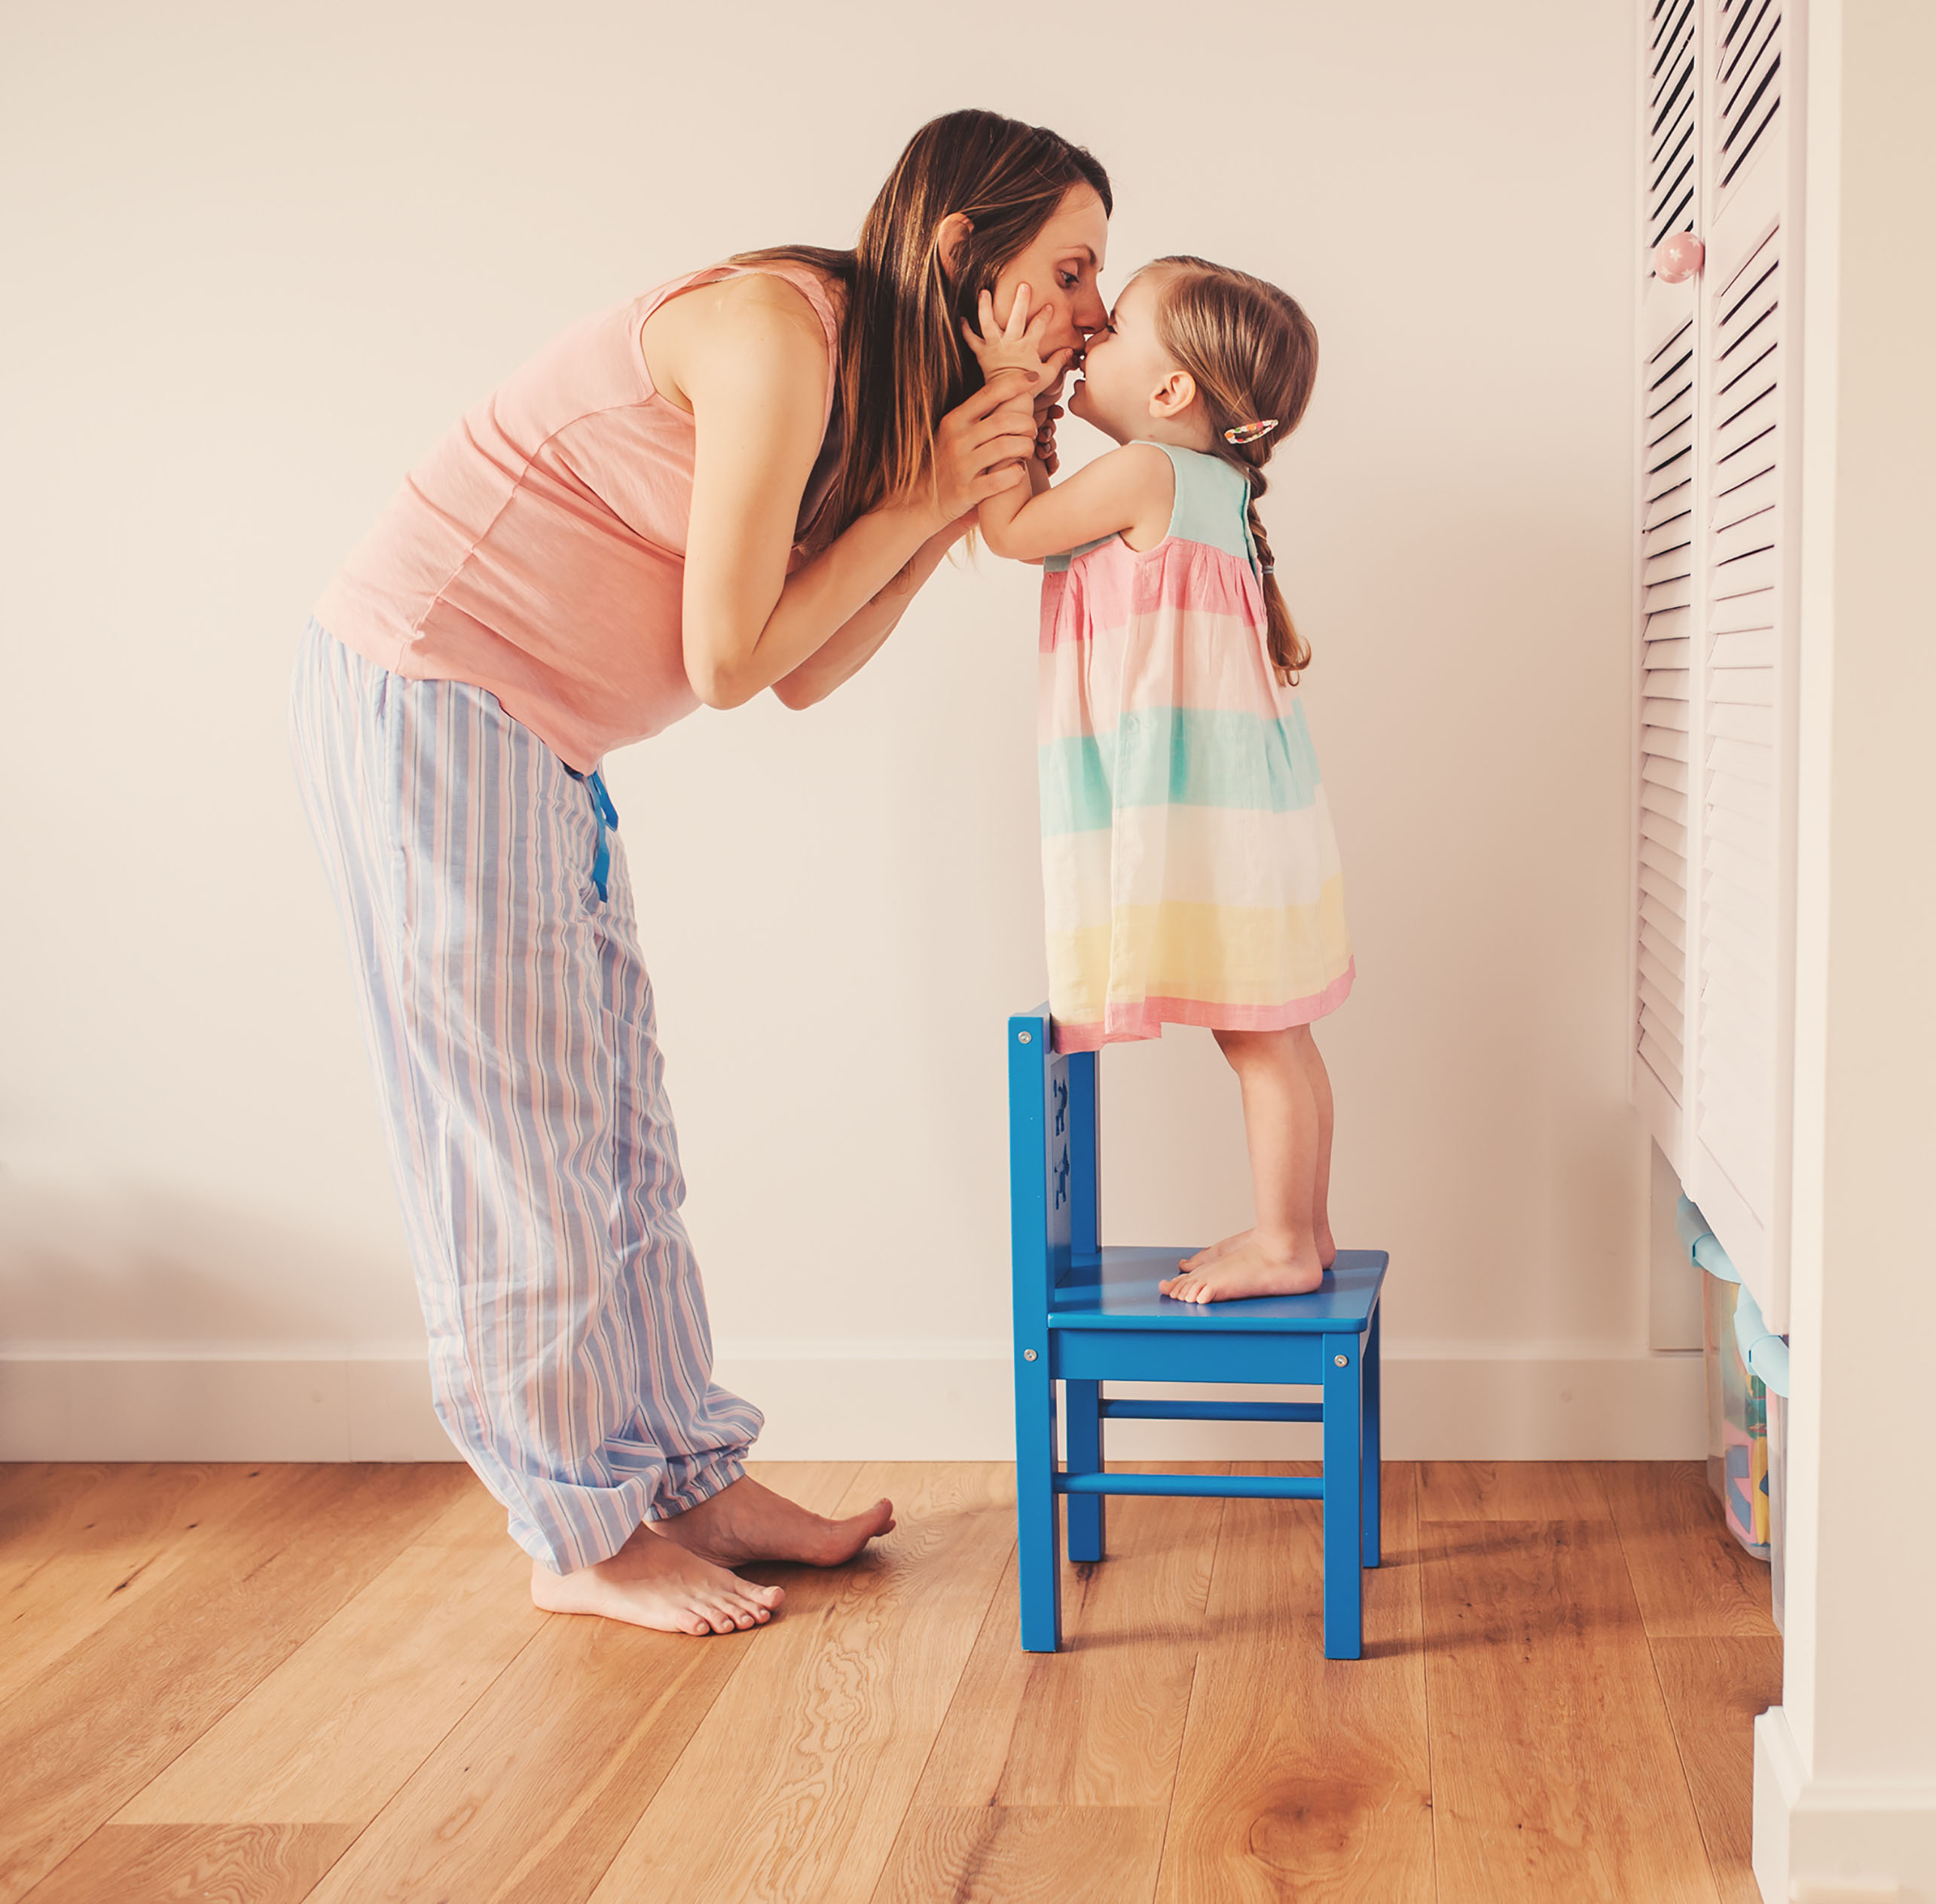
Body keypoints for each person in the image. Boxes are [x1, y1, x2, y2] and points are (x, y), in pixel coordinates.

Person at [290, 110, 1111, 1635]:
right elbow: (728, 659)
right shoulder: (772, 337)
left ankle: (681, 1479)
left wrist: (936, 511)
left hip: (536, 737)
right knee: (517, 1152)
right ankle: (581, 1537)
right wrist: (926, 501)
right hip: (436, 697)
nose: (1096, 315)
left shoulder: (869, 389)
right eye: (1069, 270)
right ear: (958, 253)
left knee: (617, 1132)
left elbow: (805, 664)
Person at [971, 257, 1351, 1304]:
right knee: (1277, 1035)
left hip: (1214, 815)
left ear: (1173, 391)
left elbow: (1010, 533)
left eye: (1115, 322)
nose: (1089, 332)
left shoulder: (1148, 471)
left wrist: (1010, 385)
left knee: (1261, 1041)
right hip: (1251, 808)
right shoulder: (1210, 487)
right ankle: (1303, 1231)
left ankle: (1284, 1240)